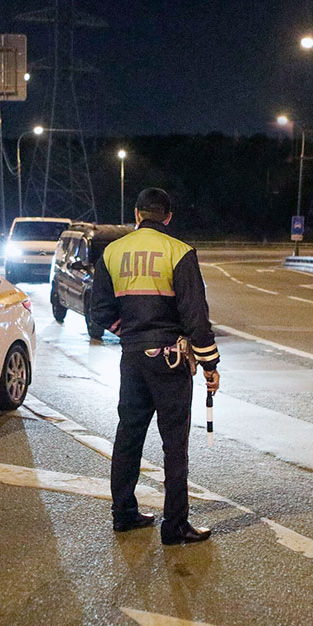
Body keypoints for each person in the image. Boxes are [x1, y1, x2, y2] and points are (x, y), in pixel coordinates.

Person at [90, 187, 221, 545]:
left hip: (132, 358)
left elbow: (99, 310)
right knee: (173, 443)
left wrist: (129, 335)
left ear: (136, 215)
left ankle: (124, 514)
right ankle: (174, 526)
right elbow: (196, 317)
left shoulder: (112, 252)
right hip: (171, 359)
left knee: (128, 434)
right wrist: (210, 363)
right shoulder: (179, 252)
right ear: (167, 217)